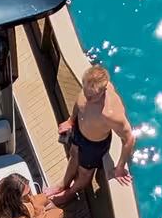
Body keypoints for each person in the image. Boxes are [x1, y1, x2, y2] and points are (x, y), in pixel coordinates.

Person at [50, 65, 135, 204]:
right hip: (79, 129)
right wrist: (71, 121)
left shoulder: (111, 113)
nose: (86, 98)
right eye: (85, 92)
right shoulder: (88, 89)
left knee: (85, 173)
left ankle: (70, 193)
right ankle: (62, 184)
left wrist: (119, 168)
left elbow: (129, 139)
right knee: (74, 153)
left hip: (94, 145)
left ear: (103, 91)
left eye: (91, 97)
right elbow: (78, 105)